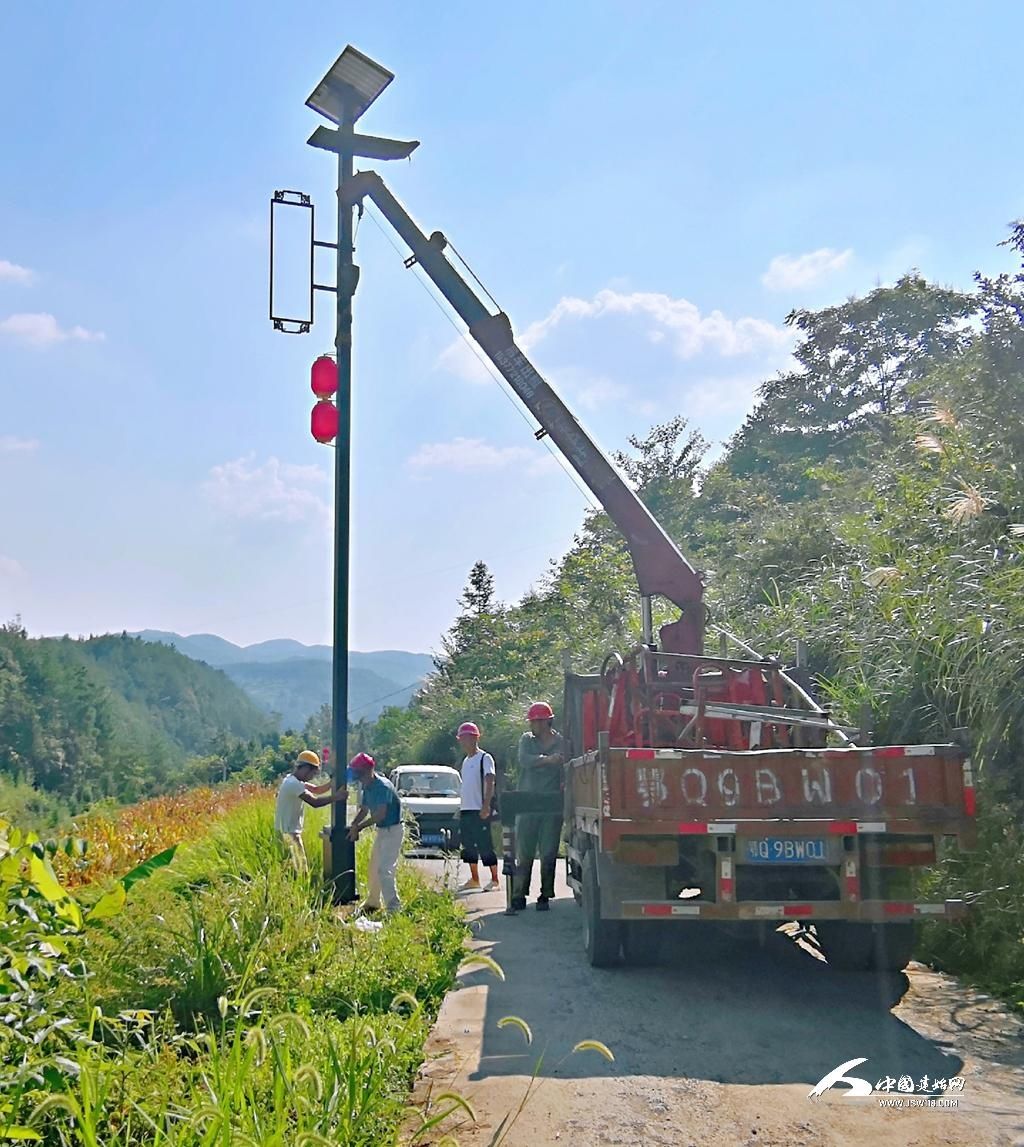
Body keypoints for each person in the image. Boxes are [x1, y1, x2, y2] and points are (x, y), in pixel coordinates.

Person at [512, 702, 565, 911]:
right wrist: (548, 760)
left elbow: (564, 761)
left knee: (548, 851)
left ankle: (545, 894)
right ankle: (519, 894)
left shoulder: (560, 741)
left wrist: (554, 762)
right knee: (524, 852)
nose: (533, 725)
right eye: (532, 721)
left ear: (546, 722)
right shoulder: (526, 740)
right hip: (528, 802)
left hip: (551, 804)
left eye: (536, 721)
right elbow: (524, 760)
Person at [346, 752, 404, 915]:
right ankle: (373, 902)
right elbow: (364, 809)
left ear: (368, 770)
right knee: (373, 867)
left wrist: (360, 827)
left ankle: (394, 907)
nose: (358, 776)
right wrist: (354, 824)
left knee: (385, 869)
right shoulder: (367, 786)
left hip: (393, 830)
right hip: (382, 830)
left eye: (359, 772)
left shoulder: (382, 786)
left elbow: (380, 814)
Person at [274, 749, 347, 874]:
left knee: (291, 870)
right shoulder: (293, 784)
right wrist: (337, 797)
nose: (311, 777)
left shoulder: (293, 780)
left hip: (285, 831)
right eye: (312, 774)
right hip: (289, 833)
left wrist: (332, 782)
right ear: (305, 768)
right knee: (302, 871)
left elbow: (317, 790)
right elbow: (315, 802)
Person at [456, 722, 499, 892]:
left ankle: (495, 880)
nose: (464, 742)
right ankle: (475, 879)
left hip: (480, 808)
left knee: (485, 844)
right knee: (468, 845)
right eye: (462, 739)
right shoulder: (466, 761)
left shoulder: (484, 758)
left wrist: (486, 805)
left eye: (467, 738)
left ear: (475, 738)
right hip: (466, 810)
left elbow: (490, 780)